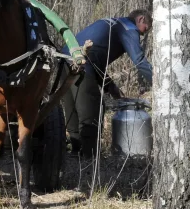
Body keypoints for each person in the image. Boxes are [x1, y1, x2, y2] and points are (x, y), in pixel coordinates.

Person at [61, 10, 153, 158]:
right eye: (145, 29)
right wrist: (158, 83)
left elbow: (95, 57)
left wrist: (110, 86)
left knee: (73, 107)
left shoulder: (110, 22)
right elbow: (139, 60)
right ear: (140, 19)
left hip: (64, 60)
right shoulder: (129, 28)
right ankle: (89, 157)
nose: (142, 35)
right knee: (92, 109)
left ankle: (76, 151)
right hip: (82, 63)